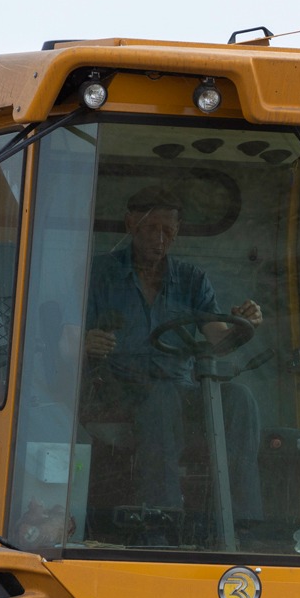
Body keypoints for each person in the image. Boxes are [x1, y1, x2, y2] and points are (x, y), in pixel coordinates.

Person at [82, 185, 263, 532]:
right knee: (162, 400)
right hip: (116, 389)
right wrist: (85, 341)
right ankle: (162, 520)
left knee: (240, 400)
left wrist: (245, 324)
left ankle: (243, 524)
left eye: (168, 230)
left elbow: (219, 339)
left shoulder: (191, 280)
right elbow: (67, 334)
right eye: (152, 229)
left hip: (179, 390)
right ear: (131, 224)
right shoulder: (100, 273)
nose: (160, 239)